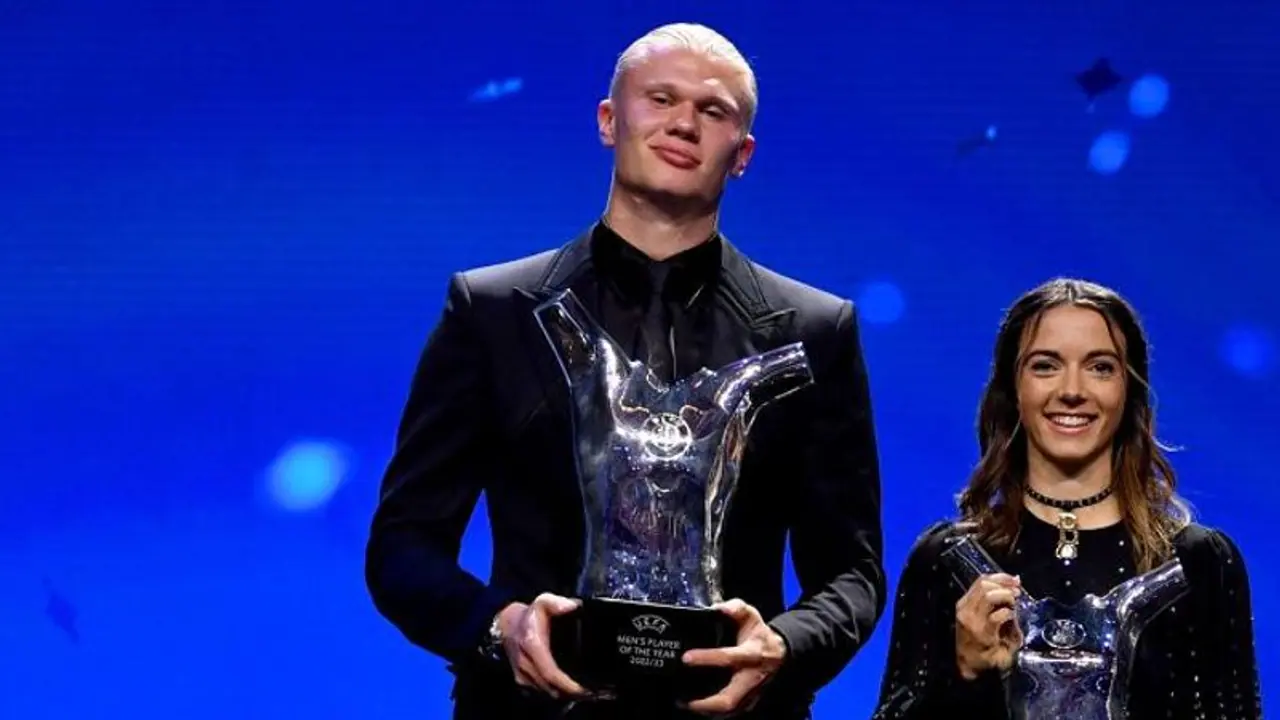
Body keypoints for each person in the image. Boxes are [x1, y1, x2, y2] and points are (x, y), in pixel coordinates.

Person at [364, 22, 886, 720]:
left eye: (713, 110)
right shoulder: (492, 314)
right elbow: (403, 547)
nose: (683, 124)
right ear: (609, 121)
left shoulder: (814, 332)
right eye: (660, 98)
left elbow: (852, 572)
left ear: (743, 153)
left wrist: (783, 647)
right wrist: (500, 628)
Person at [872, 278, 1263, 719]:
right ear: (1013, 389)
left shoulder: (1198, 563)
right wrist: (962, 672)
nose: (1072, 390)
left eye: (1100, 367)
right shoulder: (945, 560)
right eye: (1045, 366)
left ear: (1128, 390)